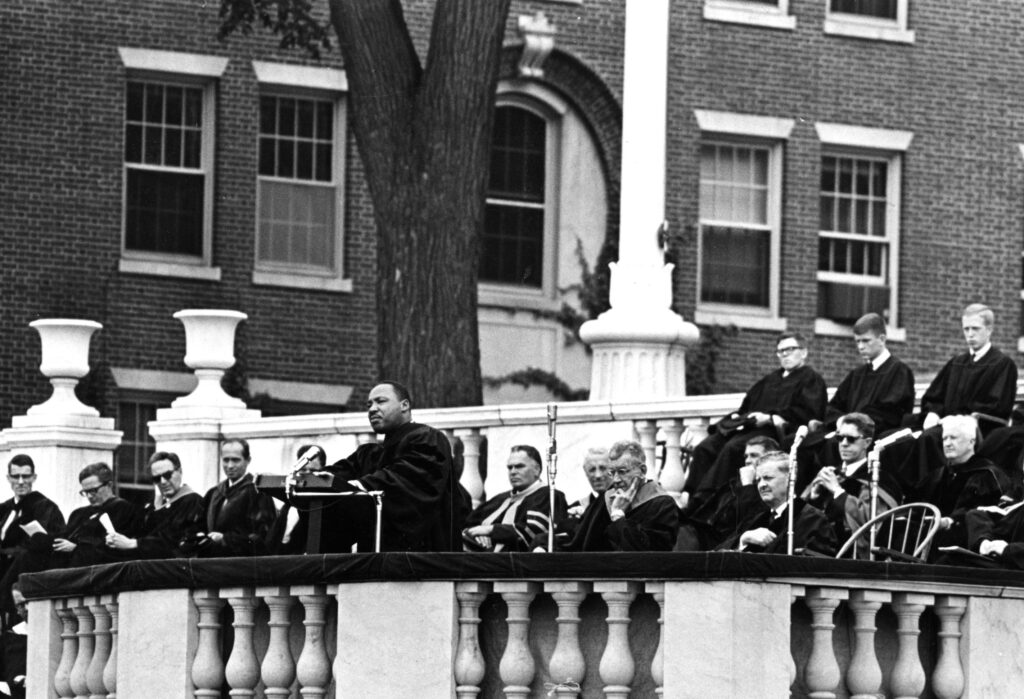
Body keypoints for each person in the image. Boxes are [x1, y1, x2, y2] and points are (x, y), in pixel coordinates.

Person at [683, 332, 827, 513]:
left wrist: (770, 417)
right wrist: (744, 419)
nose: (784, 355)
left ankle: (705, 501)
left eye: (789, 349)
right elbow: (746, 406)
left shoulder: (811, 379)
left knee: (733, 448)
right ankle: (690, 494)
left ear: (804, 352)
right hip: (750, 428)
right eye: (780, 351)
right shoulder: (770, 379)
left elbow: (807, 413)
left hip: (773, 431)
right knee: (705, 447)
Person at [328, 381, 460, 552]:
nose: (372, 409)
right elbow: (338, 474)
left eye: (380, 401)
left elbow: (409, 480)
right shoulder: (370, 453)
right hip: (374, 561)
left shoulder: (427, 438)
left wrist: (360, 486)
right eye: (369, 404)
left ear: (404, 405)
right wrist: (309, 478)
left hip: (420, 560)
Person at [796, 314, 915, 490]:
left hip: (873, 433)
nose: (860, 347)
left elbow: (890, 411)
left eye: (865, 341)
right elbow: (834, 405)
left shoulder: (898, 371)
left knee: (833, 444)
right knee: (803, 443)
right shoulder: (857, 374)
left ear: (882, 339)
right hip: (846, 430)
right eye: (857, 341)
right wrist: (840, 421)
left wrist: (851, 424)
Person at [555, 440, 678, 552]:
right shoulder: (607, 498)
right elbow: (579, 539)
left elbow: (652, 554)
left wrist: (618, 516)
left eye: (622, 472)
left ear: (643, 471)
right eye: (612, 472)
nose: (616, 479)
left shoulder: (662, 504)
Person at [802, 413, 900, 550]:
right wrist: (814, 497)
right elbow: (806, 521)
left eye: (851, 439)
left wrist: (838, 492)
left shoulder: (877, 478)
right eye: (840, 438)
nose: (844, 444)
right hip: (821, 548)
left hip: (852, 553)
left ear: (867, 442)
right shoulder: (831, 474)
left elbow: (872, 522)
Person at [917, 415, 1013, 550]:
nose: (947, 443)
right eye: (944, 438)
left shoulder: (986, 475)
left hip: (966, 540)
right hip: (932, 534)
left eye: (953, 438)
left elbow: (981, 514)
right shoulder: (938, 474)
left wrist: (948, 522)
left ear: (971, 442)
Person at [717, 451, 837, 556]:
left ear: (790, 479)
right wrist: (743, 540)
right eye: (758, 480)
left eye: (768, 478)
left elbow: (820, 567)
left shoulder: (813, 519)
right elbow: (716, 553)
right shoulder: (757, 518)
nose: (762, 485)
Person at [676, 436, 778, 551]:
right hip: (708, 535)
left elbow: (748, 519)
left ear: (769, 457)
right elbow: (705, 510)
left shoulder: (769, 488)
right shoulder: (734, 484)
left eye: (754, 455)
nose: (748, 460)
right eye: (746, 456)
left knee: (683, 532)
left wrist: (748, 485)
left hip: (731, 541)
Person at [462, 445, 567, 552]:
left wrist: (491, 530)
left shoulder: (550, 496)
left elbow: (537, 532)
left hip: (517, 562)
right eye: (510, 467)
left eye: (519, 466)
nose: (513, 472)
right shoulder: (499, 499)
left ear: (537, 469)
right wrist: (476, 534)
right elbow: (467, 525)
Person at [104, 451, 204, 559]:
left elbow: (176, 541)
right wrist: (116, 539)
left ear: (180, 471)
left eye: (167, 475)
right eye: (156, 478)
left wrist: (134, 544)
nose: (163, 481)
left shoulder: (193, 501)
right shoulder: (151, 506)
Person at [190, 439, 276, 558]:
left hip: (242, 564)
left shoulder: (258, 493)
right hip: (212, 562)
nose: (230, 466)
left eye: (236, 460)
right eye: (226, 460)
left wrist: (225, 539)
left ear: (248, 460)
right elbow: (199, 525)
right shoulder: (214, 493)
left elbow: (263, 535)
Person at [51, 463, 142, 568]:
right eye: (85, 492)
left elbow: (116, 551)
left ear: (109, 485)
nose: (89, 496)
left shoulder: (125, 510)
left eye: (94, 491)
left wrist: (76, 549)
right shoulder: (77, 514)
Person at [0, 455, 64, 583]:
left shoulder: (46, 507)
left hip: (25, 574)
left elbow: (42, 545)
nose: (20, 482)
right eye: (15, 476)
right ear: (8, 478)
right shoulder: (4, 509)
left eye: (26, 476)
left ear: (34, 477)